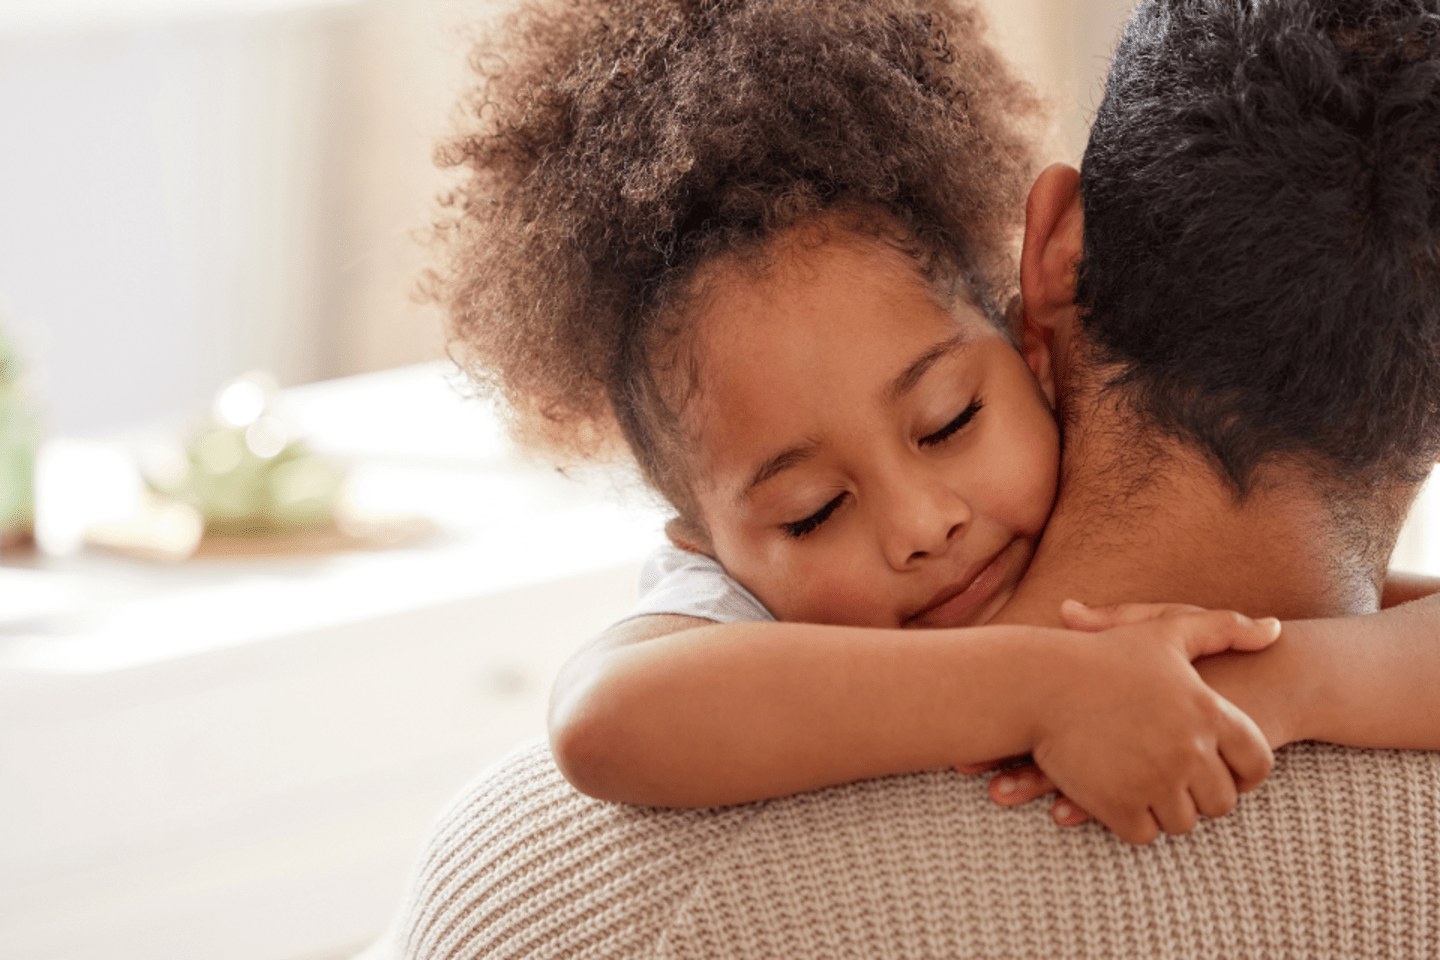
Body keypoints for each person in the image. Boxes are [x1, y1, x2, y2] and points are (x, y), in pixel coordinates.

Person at [382, 0, 1440, 955]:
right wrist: (1048, 687)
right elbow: (606, 716)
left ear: (1031, 331)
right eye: (813, 512)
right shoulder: (727, 625)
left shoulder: (1185, 640)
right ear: (704, 546)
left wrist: (1287, 680)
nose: (923, 525)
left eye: (948, 423)